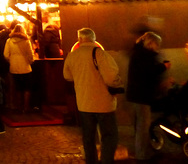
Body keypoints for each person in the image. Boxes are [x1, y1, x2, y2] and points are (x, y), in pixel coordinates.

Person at [63, 28, 123, 164]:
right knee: (109, 136)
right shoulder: (100, 54)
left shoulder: (72, 55)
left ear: (79, 39)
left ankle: (91, 161)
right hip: (103, 104)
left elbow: (67, 76)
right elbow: (111, 77)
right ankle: (106, 161)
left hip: (84, 104)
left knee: (88, 137)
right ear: (94, 39)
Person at [126, 31, 170, 161]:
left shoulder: (138, 53)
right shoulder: (146, 55)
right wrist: (163, 67)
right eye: (157, 44)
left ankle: (143, 152)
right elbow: (149, 73)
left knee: (139, 127)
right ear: (151, 43)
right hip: (142, 97)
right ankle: (142, 156)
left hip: (134, 96)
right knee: (143, 128)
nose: (158, 47)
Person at [3, 24, 35, 113]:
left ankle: (19, 107)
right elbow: (30, 54)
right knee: (27, 88)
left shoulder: (9, 41)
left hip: (14, 67)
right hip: (25, 67)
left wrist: (12, 61)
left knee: (18, 88)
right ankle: (26, 107)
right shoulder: (26, 41)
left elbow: (5, 54)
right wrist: (30, 61)